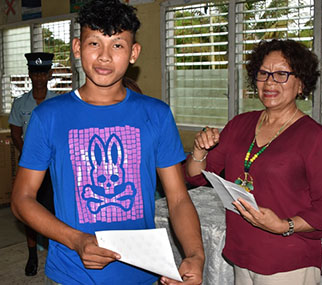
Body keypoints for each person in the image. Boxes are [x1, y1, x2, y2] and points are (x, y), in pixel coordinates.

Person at [11, 1, 204, 284]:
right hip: (73, 273)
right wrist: (76, 240)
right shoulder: (48, 116)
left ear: (133, 53)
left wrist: (196, 254)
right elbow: (21, 199)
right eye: (94, 43)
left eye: (117, 45)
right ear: (77, 47)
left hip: (143, 269)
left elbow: (177, 199)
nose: (104, 57)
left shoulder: (156, 114)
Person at [185, 39, 322, 285]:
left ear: (301, 84)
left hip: (287, 259)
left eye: (281, 74)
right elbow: (196, 176)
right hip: (243, 252)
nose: (270, 82)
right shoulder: (240, 124)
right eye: (263, 73)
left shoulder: (317, 139)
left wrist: (283, 225)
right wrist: (199, 151)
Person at [8, 52, 57, 276]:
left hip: (54, 167)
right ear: (29, 75)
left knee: (56, 209)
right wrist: (29, 155)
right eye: (35, 73)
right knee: (28, 209)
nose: (39, 78)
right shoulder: (20, 104)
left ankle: (57, 251)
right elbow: (16, 133)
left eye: (43, 73)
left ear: (50, 75)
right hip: (30, 166)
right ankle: (32, 256)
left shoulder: (58, 102)